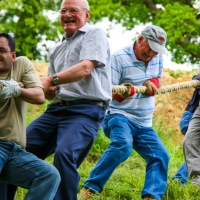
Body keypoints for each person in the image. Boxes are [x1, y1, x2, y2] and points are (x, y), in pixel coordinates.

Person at [5, 0, 112, 199]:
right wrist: (43, 89)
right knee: (17, 147)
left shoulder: (94, 34)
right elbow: (51, 90)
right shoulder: (56, 48)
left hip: (86, 110)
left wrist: (50, 79)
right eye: (63, 11)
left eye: (74, 10)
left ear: (86, 15)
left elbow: (85, 68)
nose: (67, 14)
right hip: (56, 110)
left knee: (65, 153)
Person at [79, 25, 170, 200]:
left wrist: (152, 84)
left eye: (156, 51)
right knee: (122, 145)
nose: (152, 54)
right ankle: (89, 189)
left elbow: (157, 78)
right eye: (150, 49)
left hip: (144, 122)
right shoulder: (118, 58)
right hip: (118, 115)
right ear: (140, 39)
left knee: (160, 155)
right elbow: (107, 94)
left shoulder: (157, 58)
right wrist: (122, 94)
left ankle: (151, 196)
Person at [0, 33, 61, 199]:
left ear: (13, 55)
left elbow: (39, 96)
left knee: (48, 176)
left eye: (1, 50)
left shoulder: (21, 64)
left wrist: (18, 90)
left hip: (15, 151)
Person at [172, 69, 200, 184]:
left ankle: (179, 180)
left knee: (194, 150)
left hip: (191, 116)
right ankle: (180, 180)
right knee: (193, 146)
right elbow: (196, 77)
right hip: (190, 116)